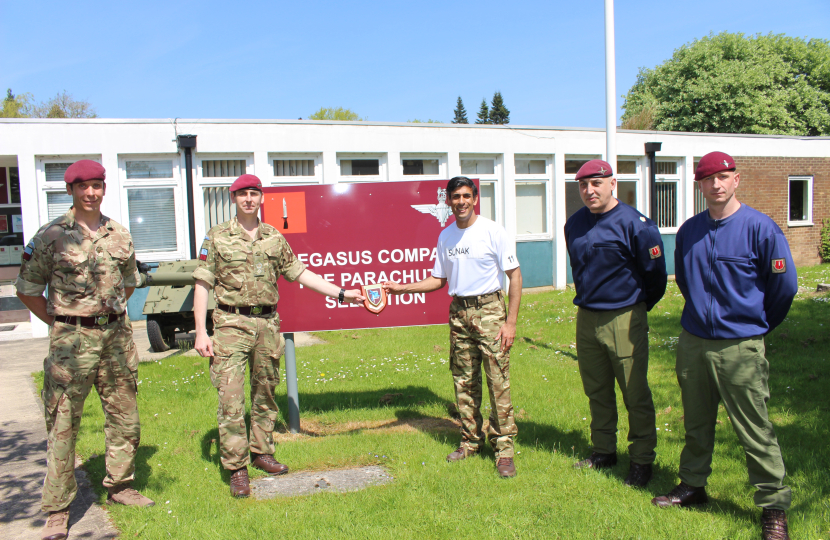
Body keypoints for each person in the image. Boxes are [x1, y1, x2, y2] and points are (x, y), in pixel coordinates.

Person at [652, 152, 796, 540]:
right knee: (696, 423)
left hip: (741, 347)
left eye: (723, 177)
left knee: (755, 428)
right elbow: (685, 279)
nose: (715, 184)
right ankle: (693, 486)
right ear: (698, 186)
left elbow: (784, 288)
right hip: (694, 343)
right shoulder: (689, 231)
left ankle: (773, 506)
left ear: (736, 180)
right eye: (707, 179)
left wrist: (755, 325)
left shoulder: (760, 229)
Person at [192, 174, 364, 497]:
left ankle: (262, 452)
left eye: (254, 194)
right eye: (242, 194)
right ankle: (236, 467)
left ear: (261, 198)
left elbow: (300, 273)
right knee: (230, 398)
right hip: (230, 324)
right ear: (233, 199)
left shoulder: (274, 237)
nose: (248, 199)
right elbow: (202, 283)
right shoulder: (216, 237)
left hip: (267, 324)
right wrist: (202, 332)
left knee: (265, 392)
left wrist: (342, 294)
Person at [15, 160, 154, 540]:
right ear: (71, 191)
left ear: (104, 188)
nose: (91, 192)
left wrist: (104, 315)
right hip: (70, 344)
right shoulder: (51, 236)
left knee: (124, 415)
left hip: (115, 339)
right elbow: (27, 289)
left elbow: (128, 284)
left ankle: (120, 485)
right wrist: (63, 322)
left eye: (97, 185)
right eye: (83, 186)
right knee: (62, 423)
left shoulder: (119, 235)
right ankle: (58, 509)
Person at [383, 176, 522, 478]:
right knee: (464, 381)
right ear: (448, 201)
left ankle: (504, 449)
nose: (460, 202)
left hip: (490, 311)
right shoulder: (445, 237)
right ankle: (471, 440)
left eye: (465, 196)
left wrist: (510, 322)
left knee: (497, 381)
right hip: (459, 313)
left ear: (475, 198)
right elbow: (439, 280)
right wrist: (402, 289)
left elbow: (515, 275)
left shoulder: (492, 231)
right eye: (455, 197)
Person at [564, 159, 666, 487]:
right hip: (587, 316)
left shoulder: (637, 224)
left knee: (634, 391)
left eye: (596, 183)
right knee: (597, 389)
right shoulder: (575, 224)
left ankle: (641, 459)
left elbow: (656, 277)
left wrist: (636, 308)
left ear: (613, 184)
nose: (589, 190)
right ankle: (604, 450)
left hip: (624, 315)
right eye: (583, 185)